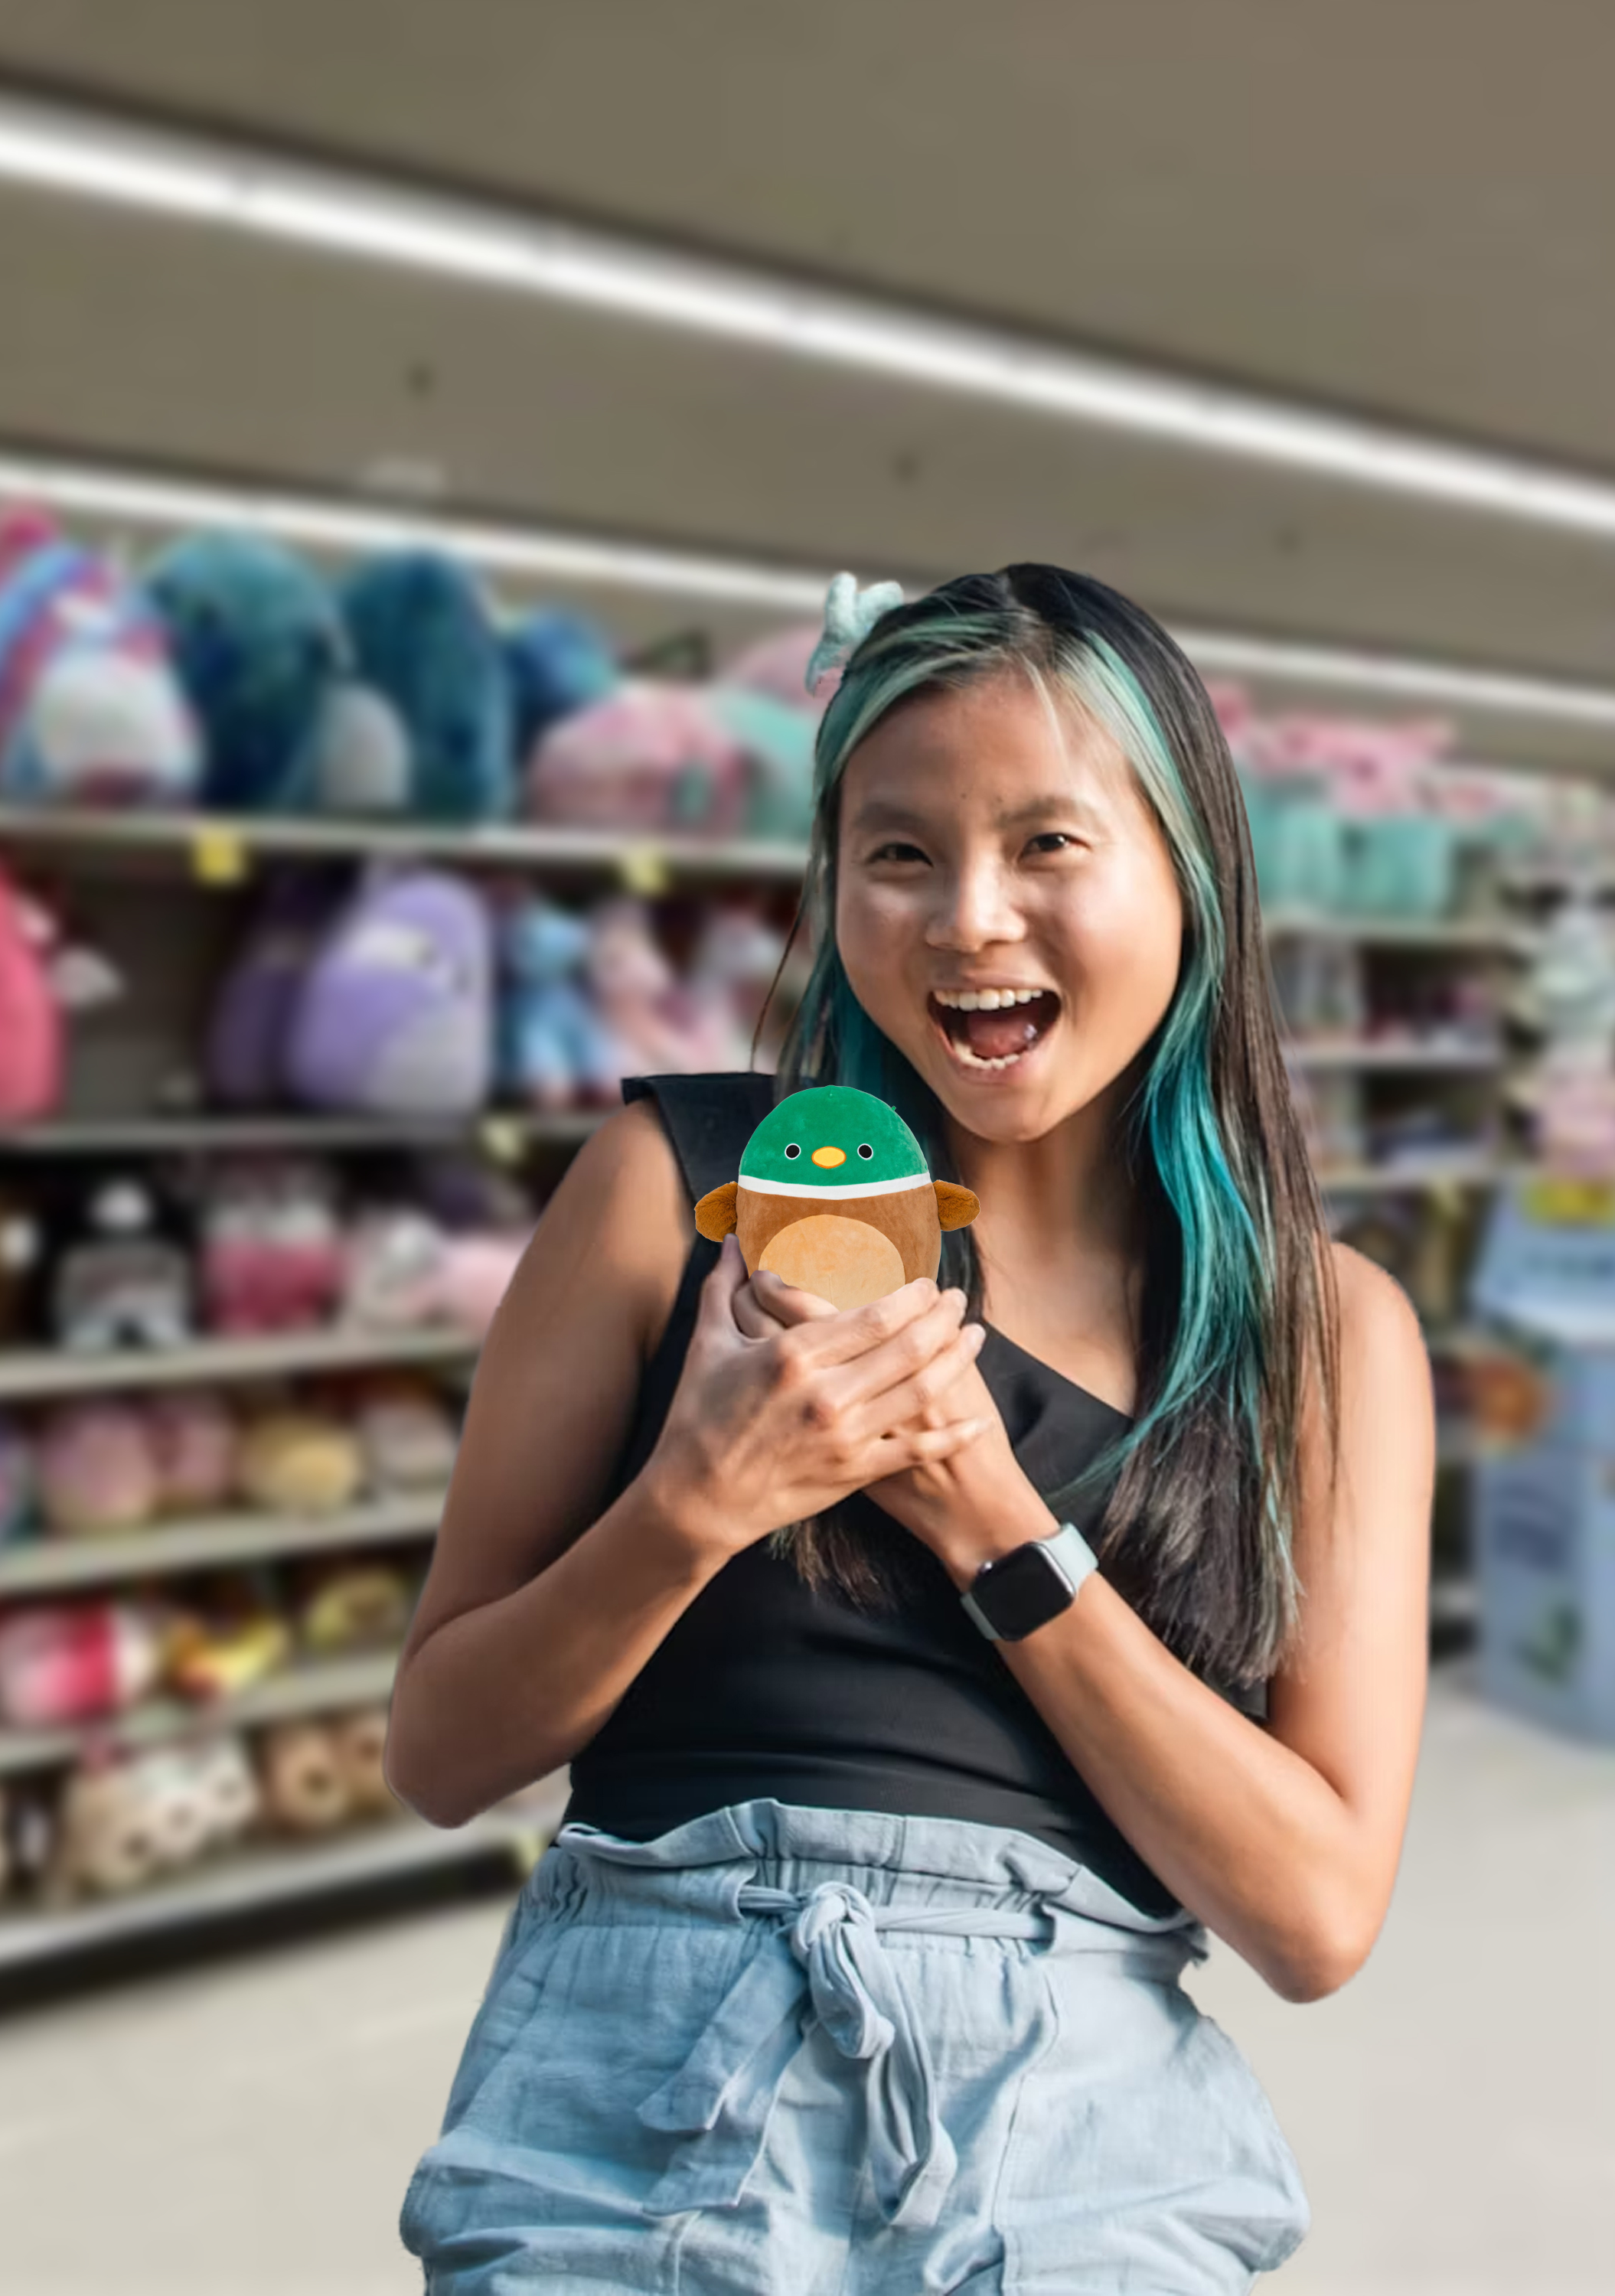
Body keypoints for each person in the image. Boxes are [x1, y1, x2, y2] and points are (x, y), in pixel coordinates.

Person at [384, 565, 1431, 2293]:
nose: (967, 918)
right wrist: (692, 1504)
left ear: (1190, 870)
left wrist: (998, 1526)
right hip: (643, 2086)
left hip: (1080, 2131)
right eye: (899, 852)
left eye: (1047, 846)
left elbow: (1316, 1914)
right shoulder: (676, 1191)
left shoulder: (1323, 1338)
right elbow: (440, 1751)